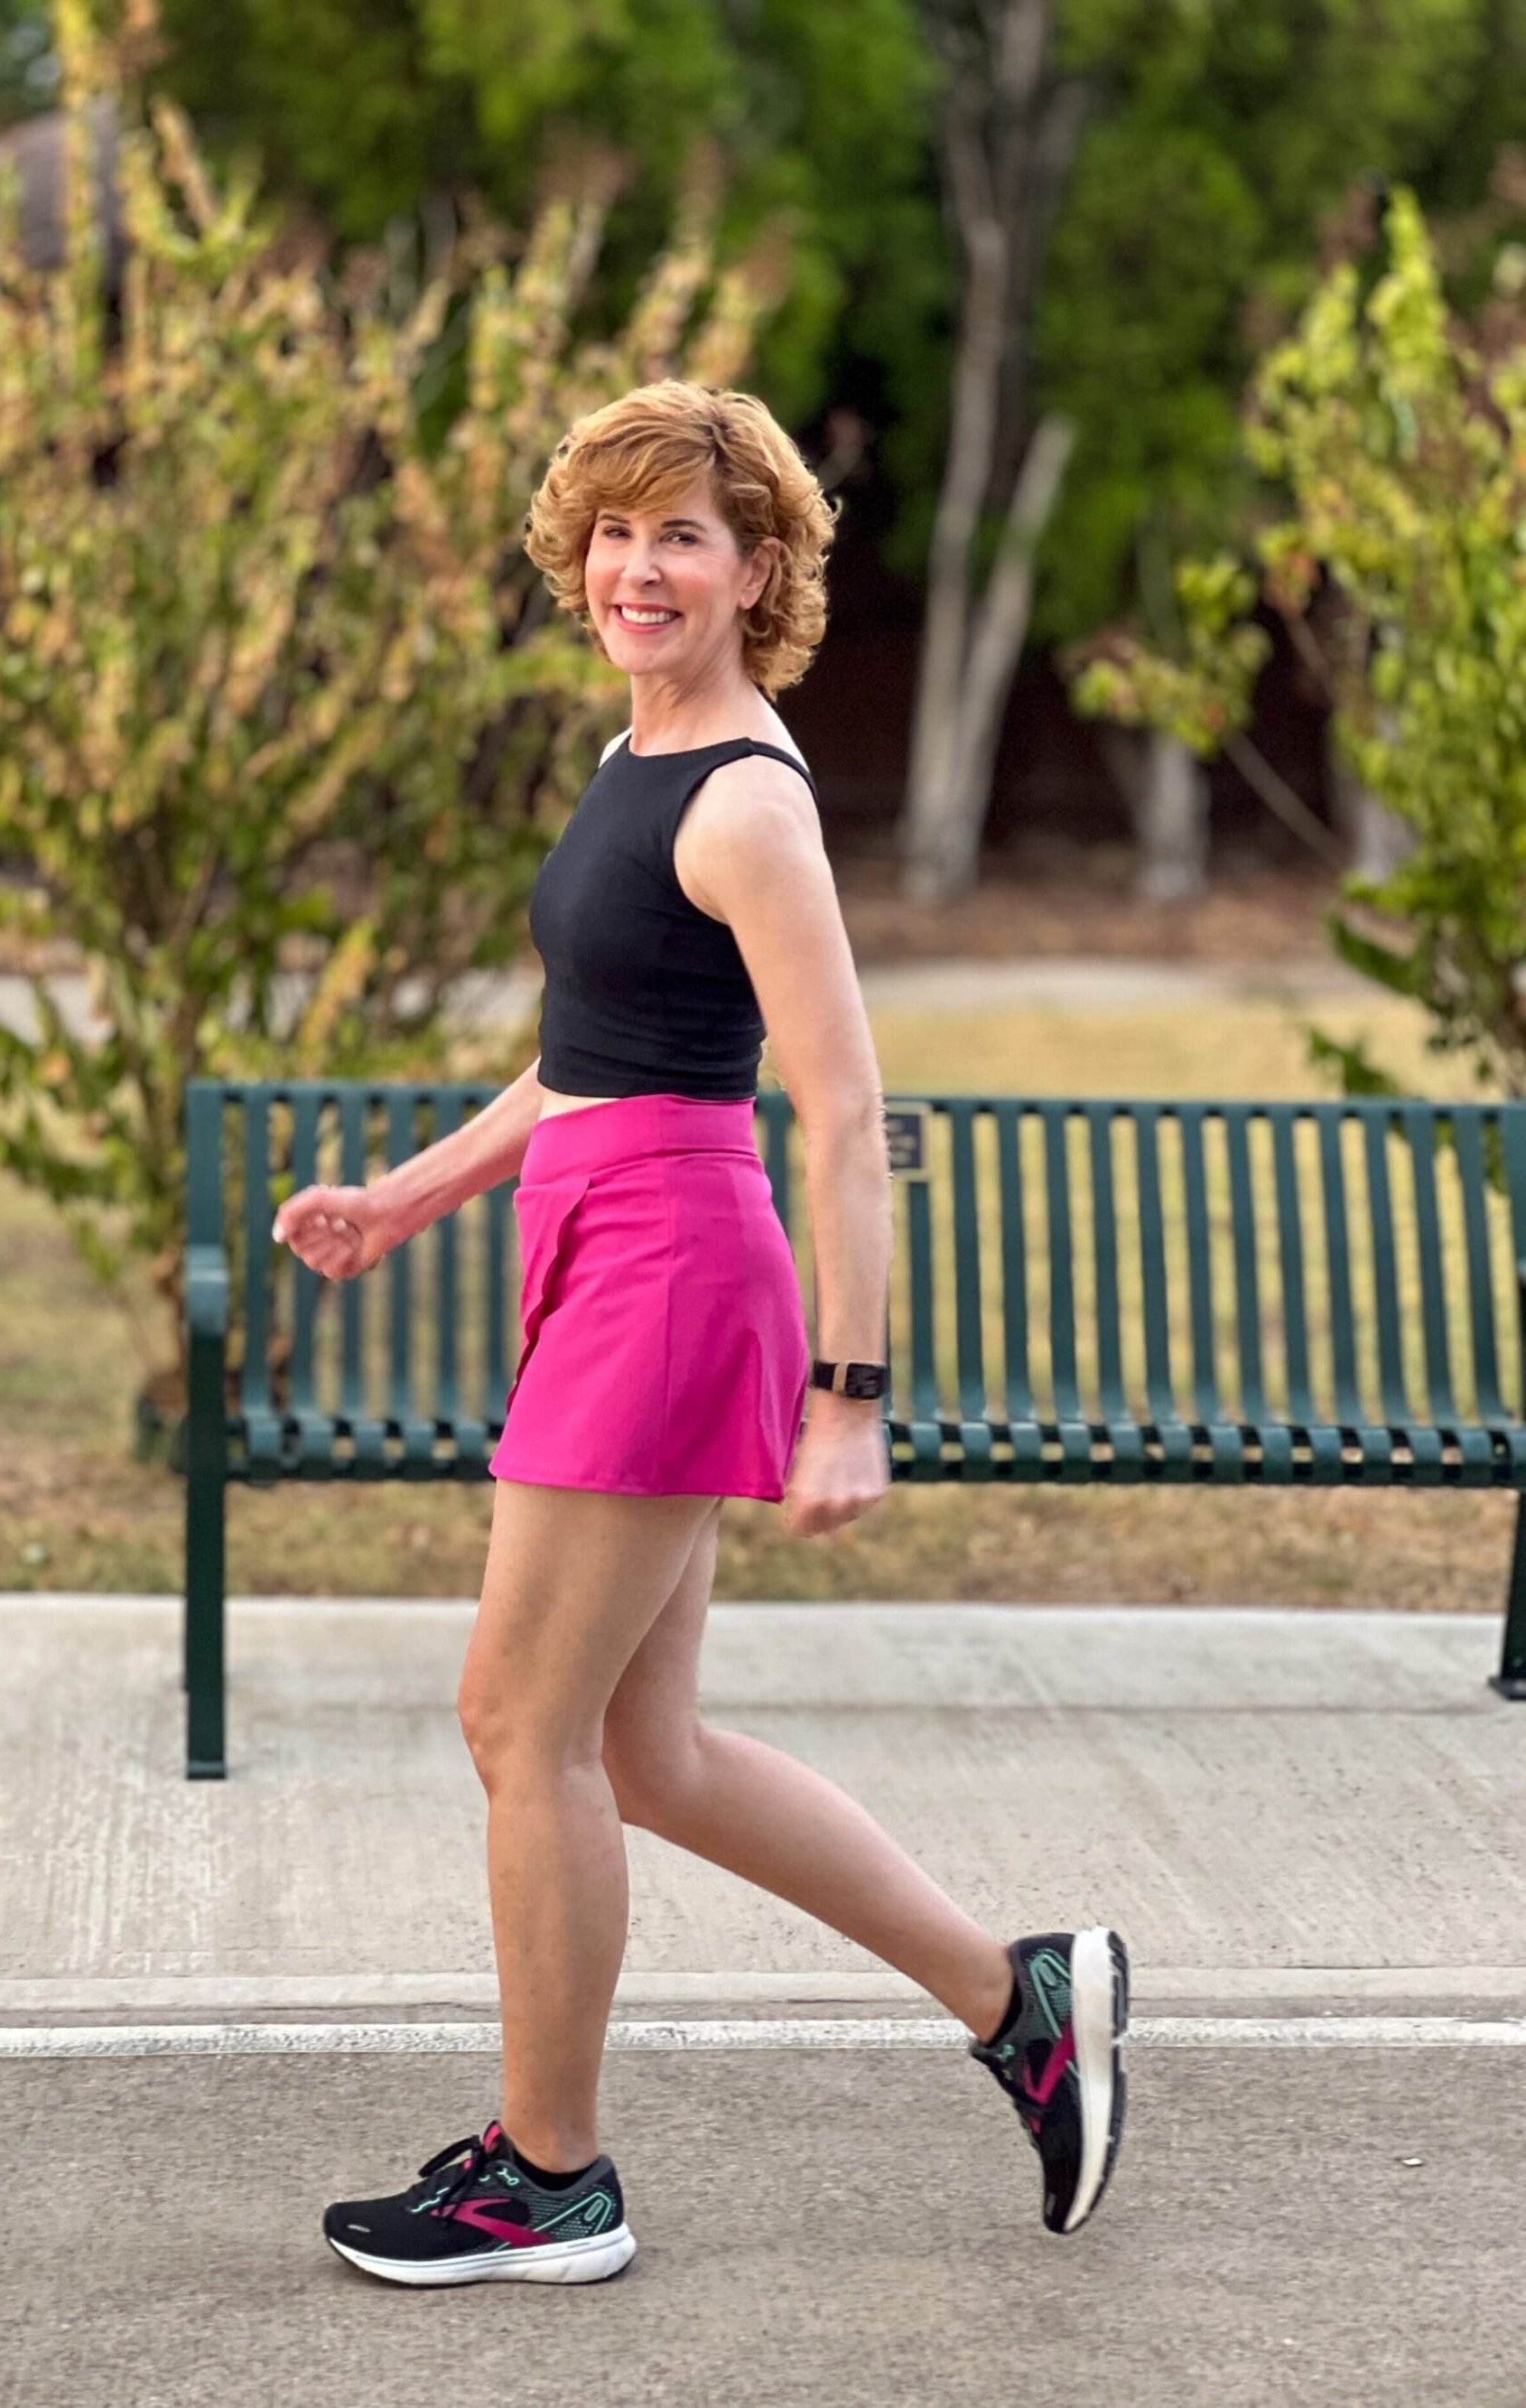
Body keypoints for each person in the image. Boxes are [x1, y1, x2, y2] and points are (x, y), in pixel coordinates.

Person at [274, 379, 1129, 2287]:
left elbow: (839, 1109)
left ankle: (548, 2174)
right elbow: (588, 1054)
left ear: (757, 570)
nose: (635, 567)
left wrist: (852, 1397)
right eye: (612, 530)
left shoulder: (746, 798)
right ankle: (1021, 2001)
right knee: (636, 1749)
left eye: (681, 535)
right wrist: (410, 1192)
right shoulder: (633, 756)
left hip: (672, 1275)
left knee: (516, 1719)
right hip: (602, 1241)